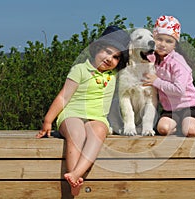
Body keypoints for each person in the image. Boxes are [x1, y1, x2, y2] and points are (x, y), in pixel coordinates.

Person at [36, 25, 130, 196]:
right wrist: (48, 121)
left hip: (97, 117)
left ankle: (76, 173)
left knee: (100, 131)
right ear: (96, 49)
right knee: (76, 133)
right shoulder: (80, 69)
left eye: (116, 57)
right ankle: (73, 177)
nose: (110, 58)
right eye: (107, 51)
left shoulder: (114, 76)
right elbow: (63, 97)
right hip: (72, 113)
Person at [143, 15, 195, 137]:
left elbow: (179, 90)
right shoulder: (152, 58)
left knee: (190, 131)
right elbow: (135, 63)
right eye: (159, 39)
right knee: (163, 129)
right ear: (153, 38)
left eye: (169, 41)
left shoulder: (179, 62)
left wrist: (156, 81)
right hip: (170, 109)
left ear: (175, 45)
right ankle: (179, 125)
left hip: (189, 106)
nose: (163, 44)